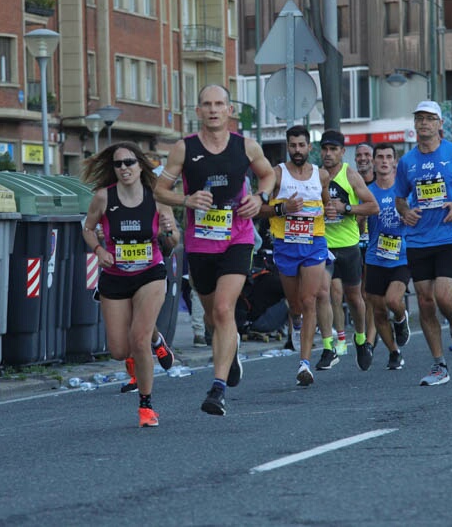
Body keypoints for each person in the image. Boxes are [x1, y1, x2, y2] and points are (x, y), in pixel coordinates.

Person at [154, 85, 274, 416]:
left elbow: (268, 175)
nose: (213, 110)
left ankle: (217, 389)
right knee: (211, 317)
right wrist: (186, 200)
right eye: (206, 104)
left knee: (224, 309)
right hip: (200, 242)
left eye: (219, 104)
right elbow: (160, 189)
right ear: (198, 111)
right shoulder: (184, 148)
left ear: (229, 110)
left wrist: (260, 198)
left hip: (238, 237)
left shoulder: (246, 146)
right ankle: (229, 350)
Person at [82, 142, 177, 427]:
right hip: (116, 276)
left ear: (140, 166)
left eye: (129, 163)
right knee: (120, 350)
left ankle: (146, 406)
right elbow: (88, 228)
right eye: (118, 164)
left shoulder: (157, 198)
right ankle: (157, 340)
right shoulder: (103, 197)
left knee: (138, 339)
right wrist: (99, 251)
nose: (124, 168)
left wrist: (167, 234)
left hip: (150, 273)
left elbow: (173, 243)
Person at [394, 100, 452, 386]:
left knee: (445, 297)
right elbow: (399, 197)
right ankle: (438, 365)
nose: (423, 123)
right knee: (425, 302)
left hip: (449, 235)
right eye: (419, 118)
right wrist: (405, 211)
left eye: (429, 119)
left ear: (440, 124)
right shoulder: (407, 161)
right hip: (418, 238)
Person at [260, 125, 331, 386]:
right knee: (295, 305)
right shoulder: (277, 174)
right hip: (286, 245)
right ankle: (297, 320)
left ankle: (304, 364)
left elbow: (325, 205)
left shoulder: (321, 176)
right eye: (293, 146)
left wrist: (331, 211)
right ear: (287, 147)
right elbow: (260, 208)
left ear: (309, 147)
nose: (298, 150)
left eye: (302, 145)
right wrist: (282, 208)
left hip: (314, 243)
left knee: (309, 298)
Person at [319, 130, 377, 370]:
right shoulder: (316, 176)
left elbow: (372, 206)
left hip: (349, 246)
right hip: (323, 246)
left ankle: (361, 340)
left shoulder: (350, 176)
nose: (328, 154)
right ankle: (328, 346)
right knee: (326, 294)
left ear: (343, 152)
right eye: (325, 149)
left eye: (333, 149)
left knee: (354, 297)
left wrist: (347, 208)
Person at [364, 143, 412, 370]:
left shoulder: (404, 192)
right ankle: (394, 352)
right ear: (373, 162)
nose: (384, 161)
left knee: (393, 301)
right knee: (379, 311)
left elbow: (418, 217)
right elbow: (358, 221)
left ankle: (402, 320)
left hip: (401, 257)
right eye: (379, 157)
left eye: (388, 157)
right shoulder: (368, 192)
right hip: (375, 257)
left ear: (395, 162)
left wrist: (409, 218)